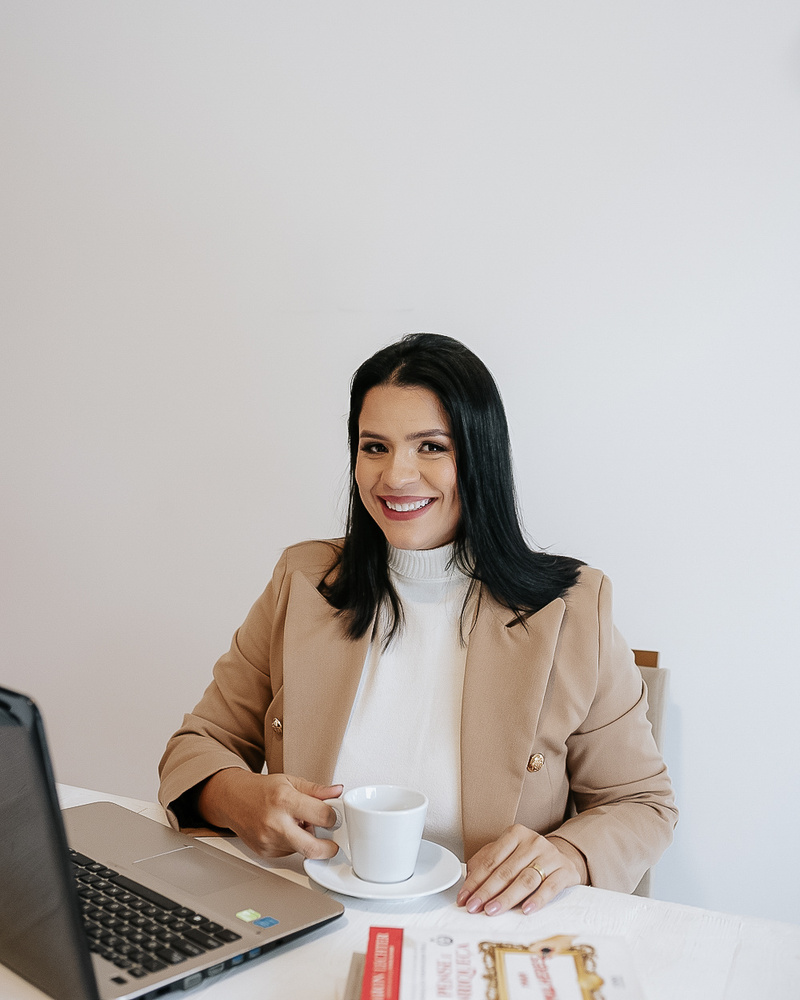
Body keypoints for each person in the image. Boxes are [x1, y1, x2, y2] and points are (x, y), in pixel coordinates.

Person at [159, 333, 677, 915]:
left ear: (480, 456)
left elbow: (643, 803)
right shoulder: (302, 581)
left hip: (480, 928)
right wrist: (237, 796)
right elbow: (196, 746)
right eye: (374, 447)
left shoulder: (575, 610)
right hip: (307, 917)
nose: (395, 476)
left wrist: (568, 854)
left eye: (431, 446)